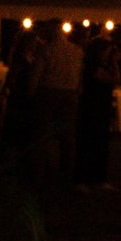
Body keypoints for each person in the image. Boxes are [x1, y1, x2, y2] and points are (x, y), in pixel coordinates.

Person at [36, 23, 84, 175]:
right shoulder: (77, 51)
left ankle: (40, 167)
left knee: (43, 131)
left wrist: (31, 93)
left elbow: (36, 74)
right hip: (70, 93)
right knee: (67, 134)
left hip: (49, 91)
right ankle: (66, 169)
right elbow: (80, 74)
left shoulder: (46, 50)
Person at [72, 33, 118, 187]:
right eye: (106, 50)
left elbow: (115, 80)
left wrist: (114, 64)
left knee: (101, 144)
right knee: (87, 144)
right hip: (91, 108)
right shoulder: (90, 65)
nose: (108, 54)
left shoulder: (105, 65)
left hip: (102, 108)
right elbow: (109, 79)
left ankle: (99, 178)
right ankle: (82, 179)